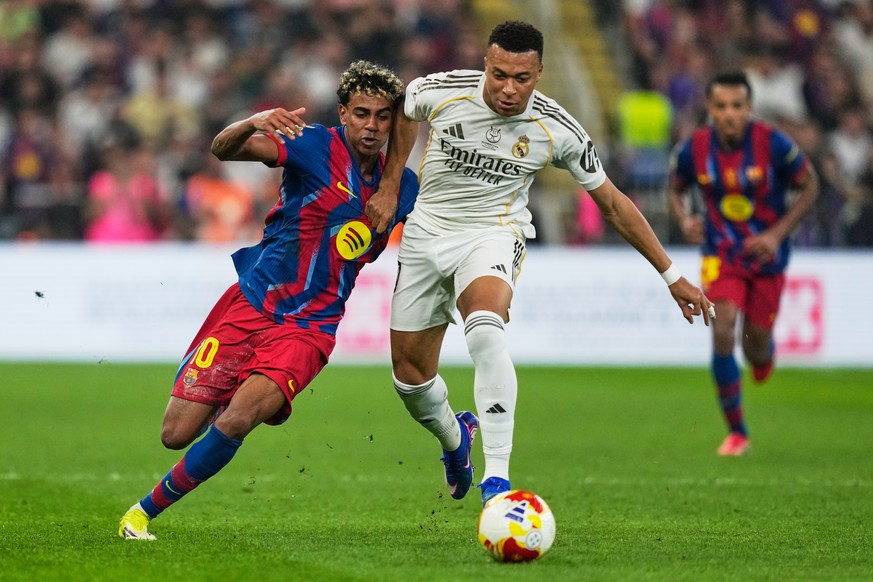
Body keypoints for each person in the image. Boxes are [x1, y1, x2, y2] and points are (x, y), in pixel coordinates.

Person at [364, 20, 715, 505]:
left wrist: (672, 275)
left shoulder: (558, 128)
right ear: (485, 63)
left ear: (539, 73)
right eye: (500, 74)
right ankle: (455, 438)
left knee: (485, 328)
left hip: (493, 234)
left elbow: (613, 203)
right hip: (426, 235)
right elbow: (405, 106)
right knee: (410, 380)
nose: (509, 89)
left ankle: (497, 483)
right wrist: (389, 183)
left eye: (522, 78)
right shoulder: (444, 90)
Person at [118, 60, 417, 540]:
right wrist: (252, 122)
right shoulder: (312, 144)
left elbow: (413, 118)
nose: (372, 126)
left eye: (383, 117)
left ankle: (141, 513)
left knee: (239, 418)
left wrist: (390, 182)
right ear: (343, 113)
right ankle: (219, 405)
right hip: (251, 303)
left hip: (311, 328)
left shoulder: (403, 188)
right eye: (361, 113)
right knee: (174, 434)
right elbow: (223, 149)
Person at [667, 70, 818, 456]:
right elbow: (675, 187)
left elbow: (810, 184)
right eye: (721, 106)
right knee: (722, 328)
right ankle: (737, 432)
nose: (729, 114)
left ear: (749, 107)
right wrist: (684, 219)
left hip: (767, 257)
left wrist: (776, 234)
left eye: (737, 106)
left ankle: (763, 357)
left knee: (756, 349)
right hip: (721, 254)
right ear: (709, 108)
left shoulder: (773, 143)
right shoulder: (695, 148)